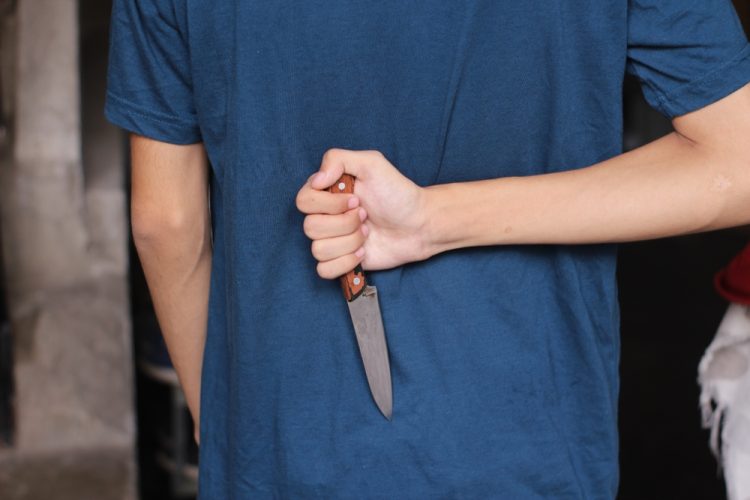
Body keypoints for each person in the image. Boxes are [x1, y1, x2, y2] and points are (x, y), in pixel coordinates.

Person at [106, 0, 750, 497]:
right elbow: (738, 162)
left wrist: (221, 421)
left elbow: (166, 221)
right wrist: (436, 219)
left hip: (281, 442)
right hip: (530, 439)